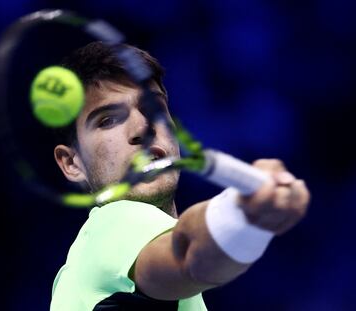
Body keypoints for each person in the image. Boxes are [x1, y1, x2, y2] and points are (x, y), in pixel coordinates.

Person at [50, 42, 310, 311]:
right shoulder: (113, 227)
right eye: (107, 120)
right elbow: (189, 254)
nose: (142, 127)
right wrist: (240, 212)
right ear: (71, 163)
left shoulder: (80, 271)